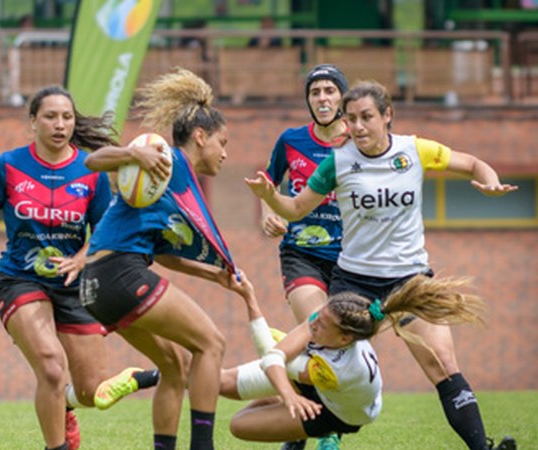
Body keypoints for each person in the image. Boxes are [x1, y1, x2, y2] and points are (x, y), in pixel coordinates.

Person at [245, 80, 518, 450]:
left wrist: (489, 181)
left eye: (367, 117)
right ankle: (300, 439)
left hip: (410, 281)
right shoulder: (337, 162)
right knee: (320, 367)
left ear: (388, 116)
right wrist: (270, 197)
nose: (357, 126)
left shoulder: (414, 150)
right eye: (351, 118)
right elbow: (295, 209)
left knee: (442, 364)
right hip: (353, 283)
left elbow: (471, 163)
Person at [0, 85, 158, 450]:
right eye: (51, 117)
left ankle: (72, 402)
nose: (60, 124)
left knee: (91, 393)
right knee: (52, 367)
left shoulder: (91, 172)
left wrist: (81, 257)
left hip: (72, 284)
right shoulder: (8, 166)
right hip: (19, 279)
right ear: (33, 122)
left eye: (67, 117)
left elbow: (104, 231)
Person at [80, 68, 239, 450]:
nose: (225, 152)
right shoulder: (165, 160)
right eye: (222, 142)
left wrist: (212, 274)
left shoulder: (177, 184)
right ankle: (203, 445)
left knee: (175, 367)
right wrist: (133, 152)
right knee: (211, 343)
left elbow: (164, 255)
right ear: (200, 137)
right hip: (118, 272)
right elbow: (94, 161)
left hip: (96, 286)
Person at [220, 272, 488, 446]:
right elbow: (275, 357)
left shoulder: (337, 369)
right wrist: (286, 386)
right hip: (313, 381)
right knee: (223, 383)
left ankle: (318, 430)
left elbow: (272, 360)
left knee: (239, 425)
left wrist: (250, 299)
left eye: (321, 324)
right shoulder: (330, 321)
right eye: (318, 317)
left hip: (336, 413)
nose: (312, 324)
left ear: (345, 339)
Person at [260, 63, 351, 450]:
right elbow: (268, 181)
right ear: (309, 100)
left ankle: (305, 424)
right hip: (302, 254)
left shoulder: (358, 141)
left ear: (343, 98)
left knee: (340, 342)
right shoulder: (291, 140)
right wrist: (268, 211)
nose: (323, 98)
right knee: (318, 328)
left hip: (352, 259)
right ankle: (324, 430)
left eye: (330, 90)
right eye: (316, 92)